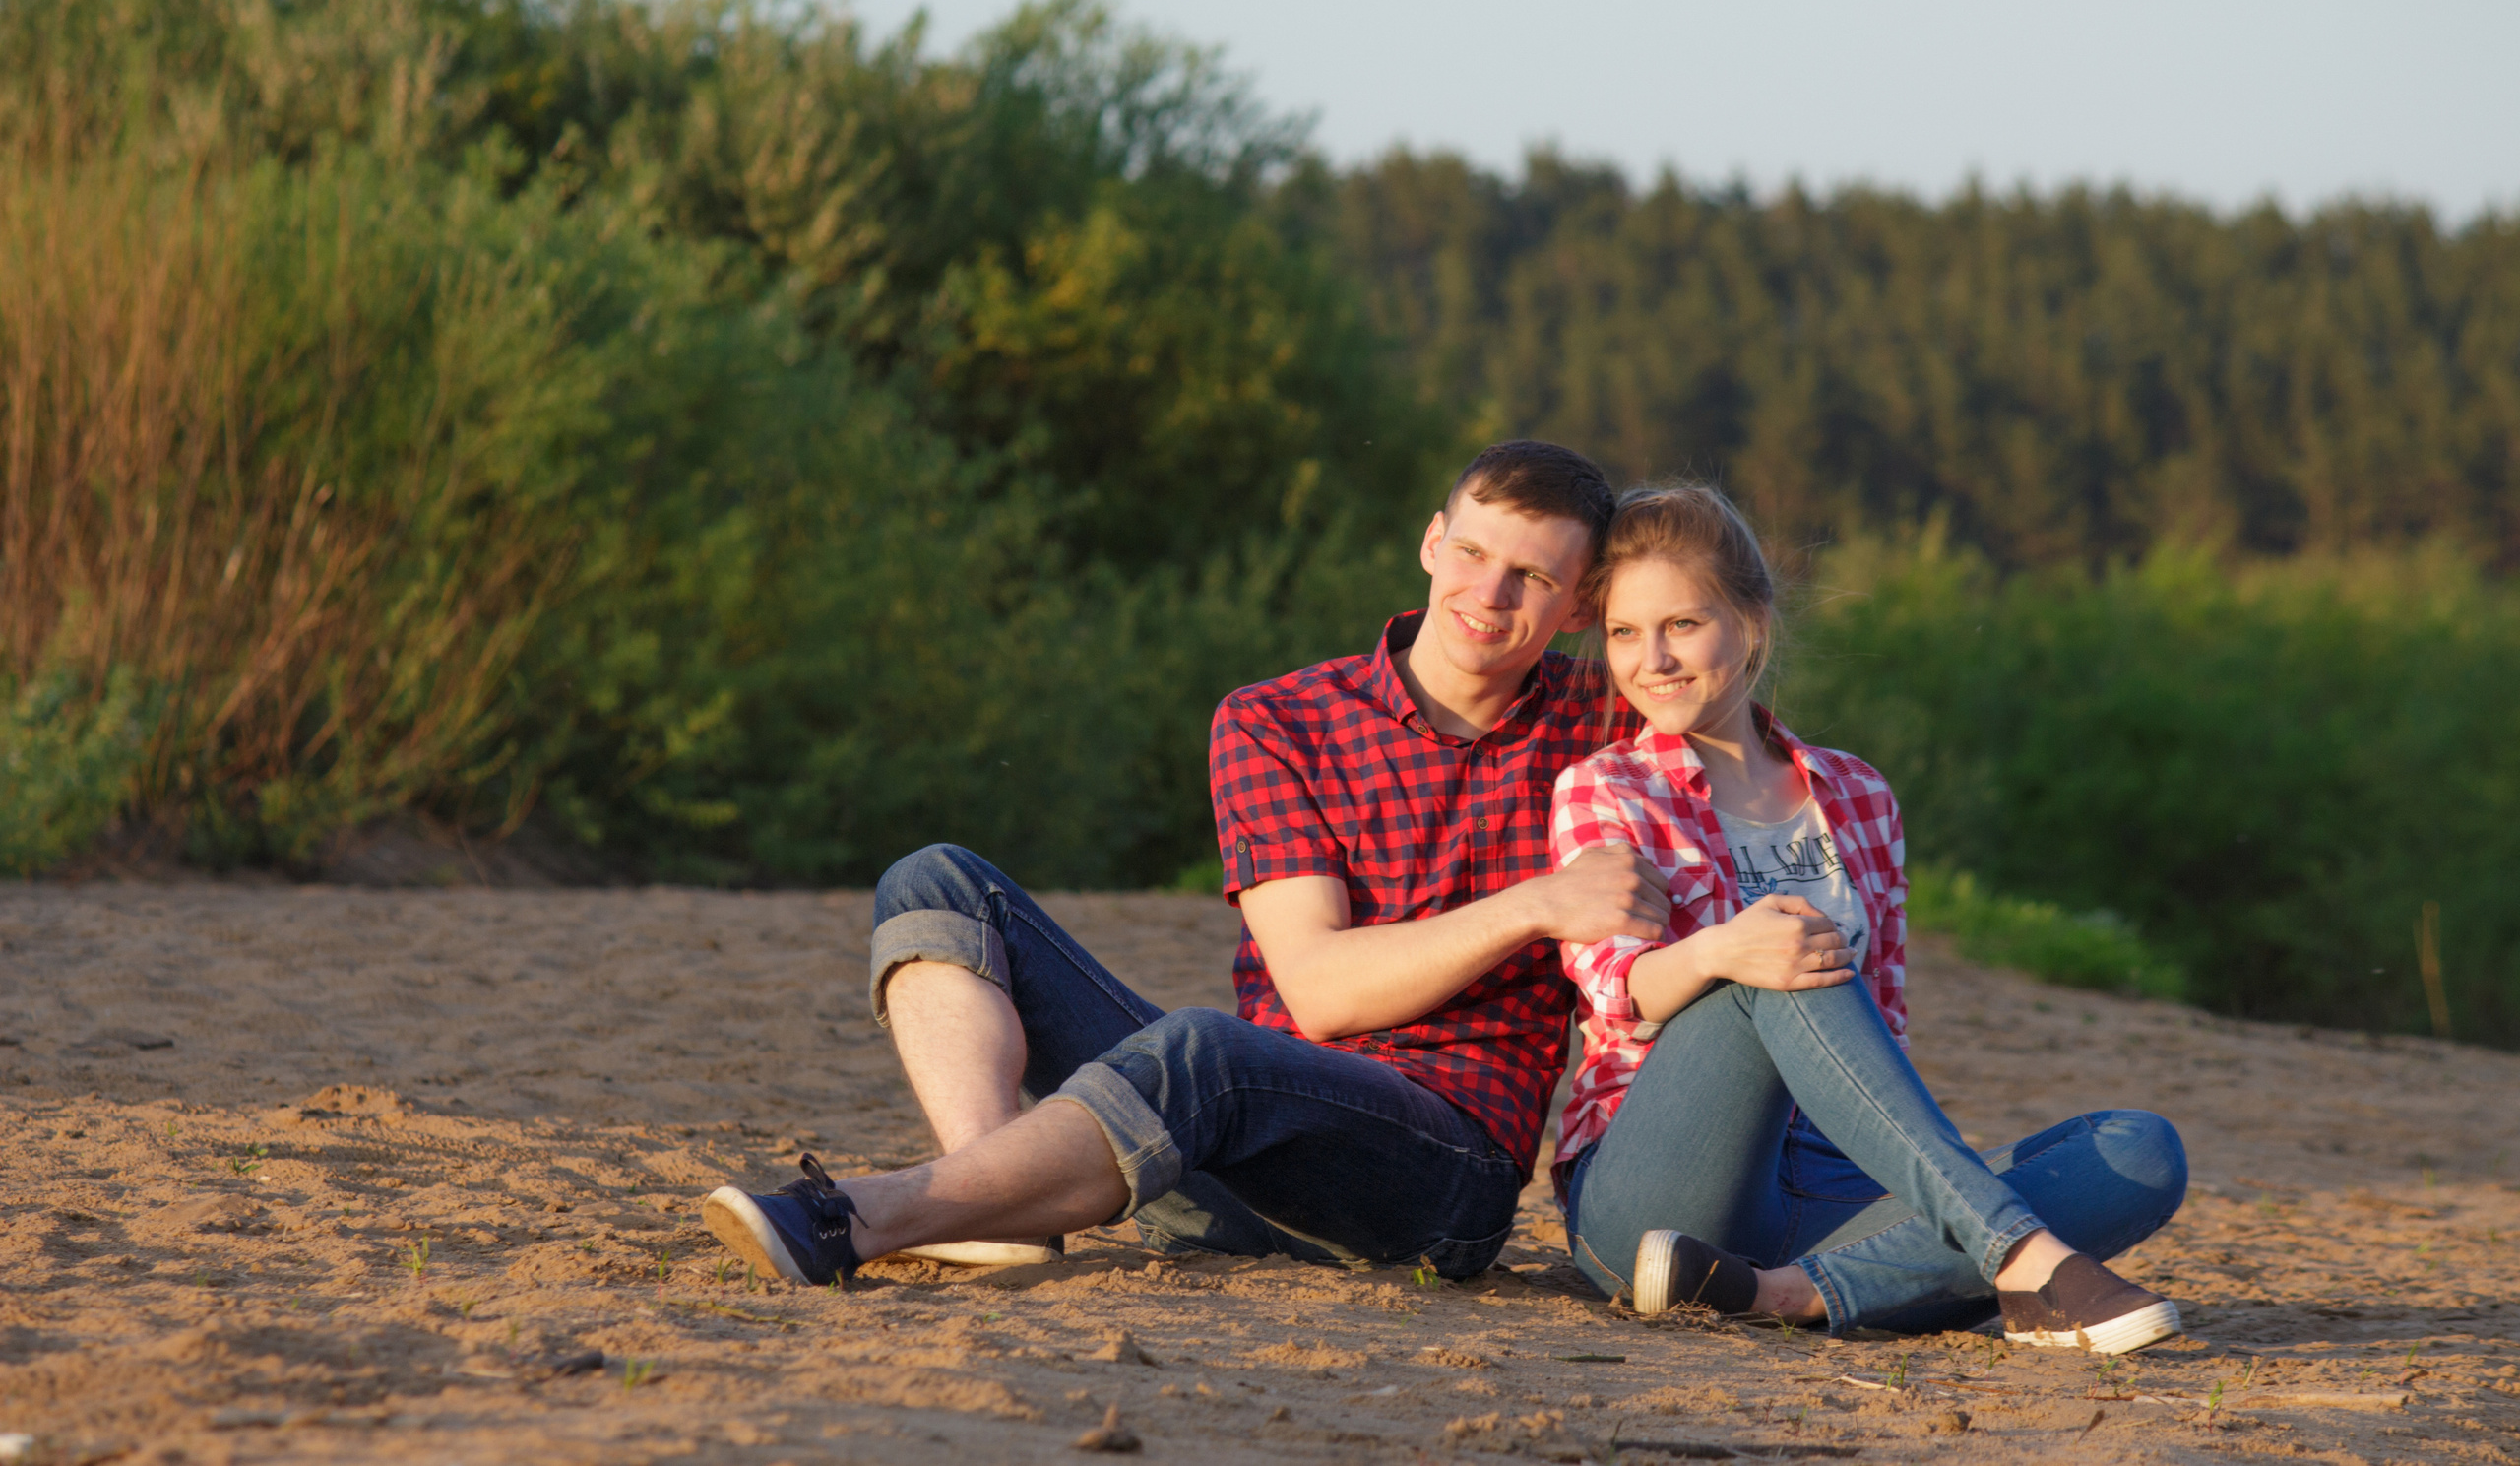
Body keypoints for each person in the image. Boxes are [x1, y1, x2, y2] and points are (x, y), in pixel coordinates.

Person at [697, 441, 1679, 1286]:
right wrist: (1541, 904)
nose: (1489, 594)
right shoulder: (1277, 720)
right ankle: (1002, 1201)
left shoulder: (1613, 722)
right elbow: (1321, 990)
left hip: (1431, 1181)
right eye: (1471, 553)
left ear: (1584, 604)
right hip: (1227, 1146)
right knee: (939, 881)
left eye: (1535, 579)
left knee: (1212, 1055)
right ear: (1432, 541)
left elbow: (1748, 738)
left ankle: (865, 1217)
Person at [1547, 483, 2189, 1351]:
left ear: (1753, 623)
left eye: (1682, 625)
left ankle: (1780, 1294)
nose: (1651, 659)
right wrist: (1726, 949)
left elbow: (1882, 1022)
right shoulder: (1608, 789)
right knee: (1776, 951)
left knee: (2142, 1152)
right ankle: (2021, 1259)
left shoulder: (1857, 792)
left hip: (1831, 1185)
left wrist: (1918, 1180)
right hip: (1660, 1190)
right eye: (1625, 633)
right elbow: (1619, 994)